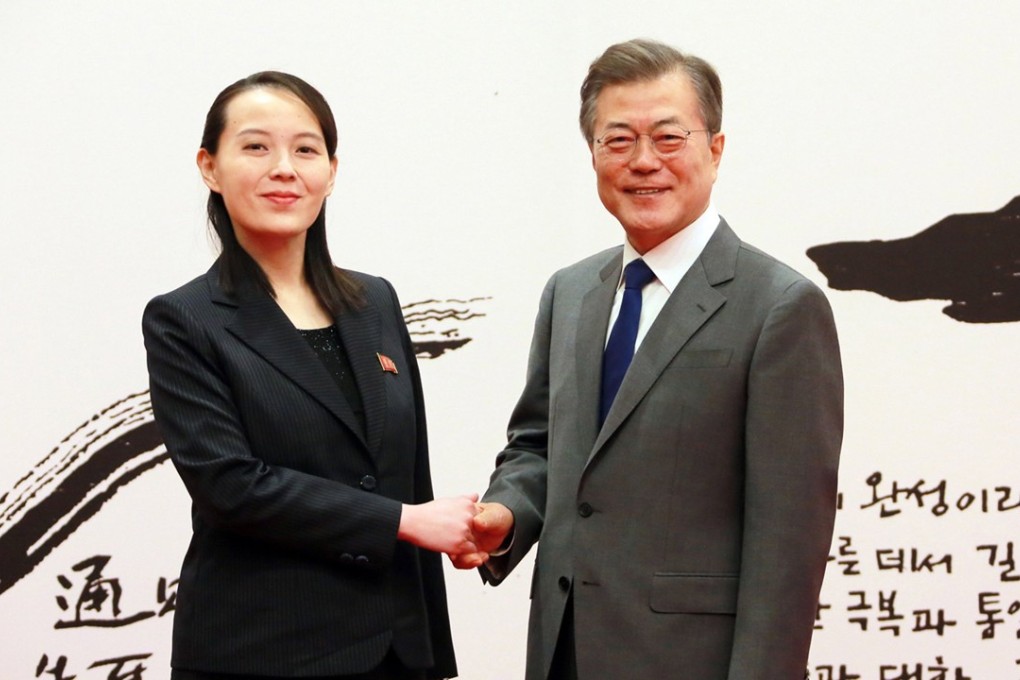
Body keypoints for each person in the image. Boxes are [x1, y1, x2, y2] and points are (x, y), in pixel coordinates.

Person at [451, 39, 844, 680]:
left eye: (668, 137)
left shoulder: (780, 305)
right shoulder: (570, 291)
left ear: (715, 150)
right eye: (618, 140)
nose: (643, 161)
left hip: (688, 660)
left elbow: (788, 540)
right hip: (563, 649)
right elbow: (539, 446)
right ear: (593, 154)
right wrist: (506, 514)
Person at [143, 71, 476, 680]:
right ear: (209, 167)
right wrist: (405, 522)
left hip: (397, 650)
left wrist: (431, 649)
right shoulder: (184, 319)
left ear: (331, 170)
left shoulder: (375, 302)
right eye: (255, 147)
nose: (283, 169)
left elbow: (407, 472)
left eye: (305, 149)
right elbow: (231, 487)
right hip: (263, 653)